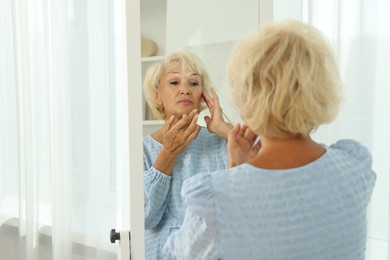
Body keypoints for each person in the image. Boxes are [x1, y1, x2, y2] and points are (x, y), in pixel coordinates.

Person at [162, 20, 376, 259]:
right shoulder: (355, 166)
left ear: (245, 96)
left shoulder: (216, 199)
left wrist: (234, 176)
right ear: (322, 88)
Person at [143, 50, 233, 260]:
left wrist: (225, 130)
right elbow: (146, 217)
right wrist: (168, 153)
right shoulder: (143, 150)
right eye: (174, 82)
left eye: (193, 83)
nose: (185, 90)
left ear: (202, 95)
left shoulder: (220, 142)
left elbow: (263, 178)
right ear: (157, 95)